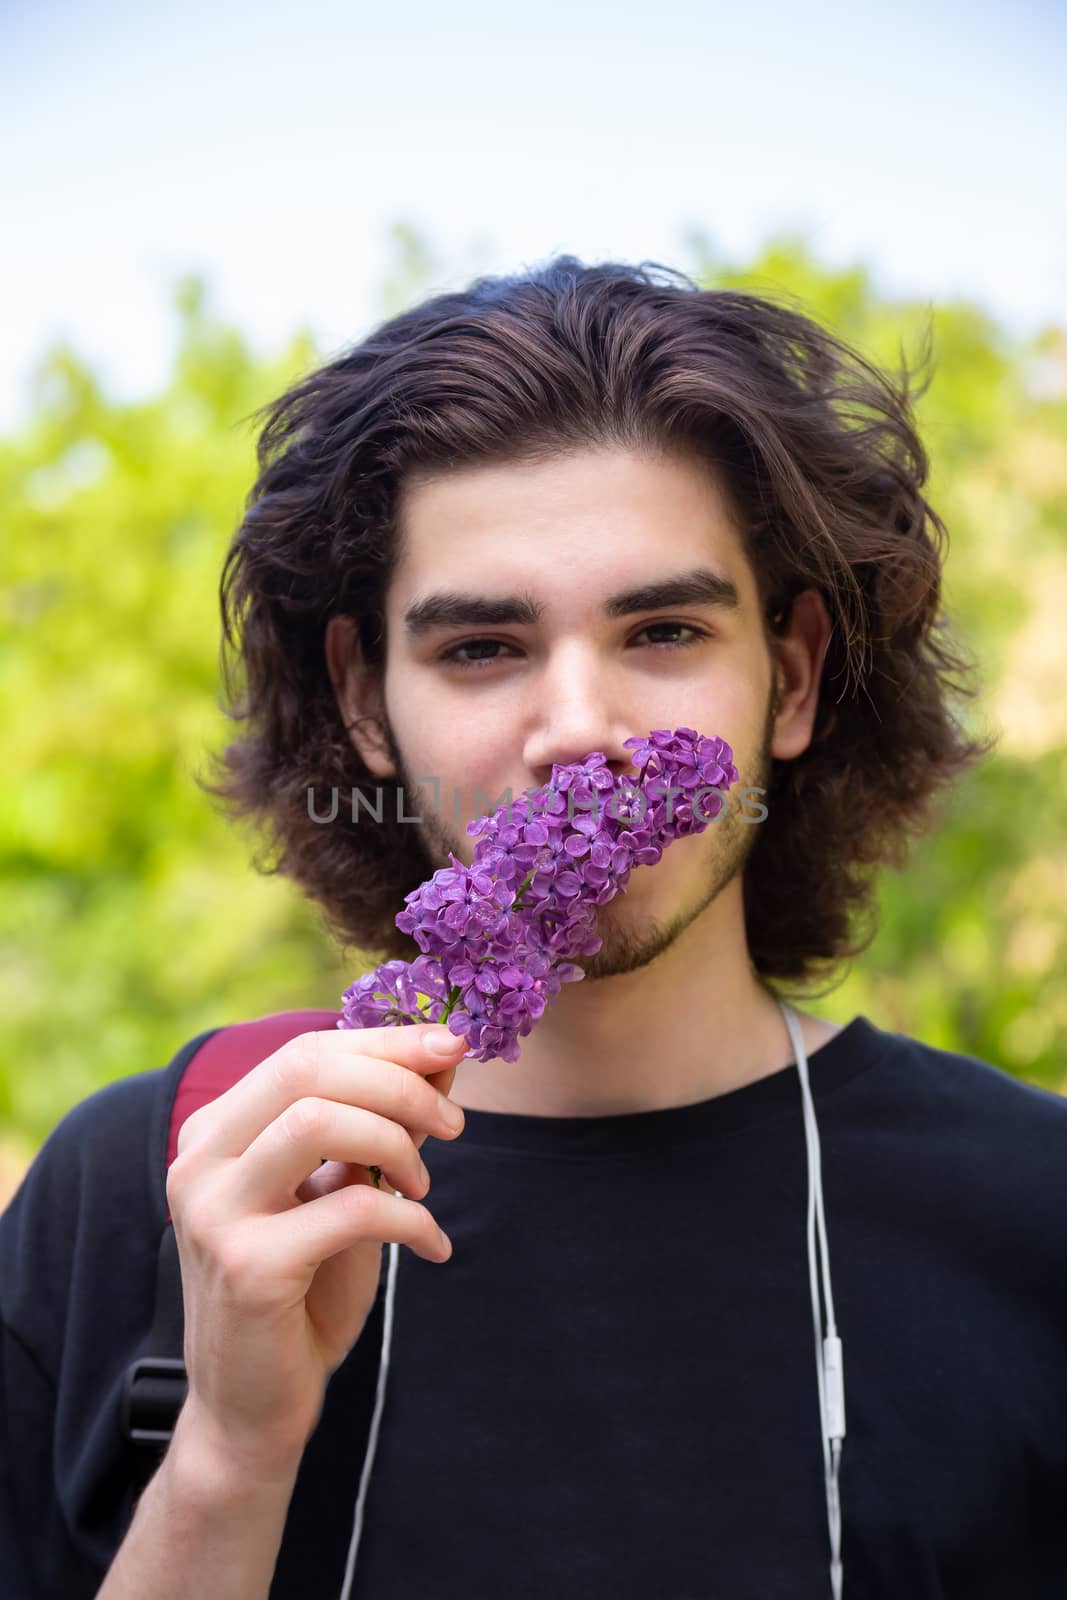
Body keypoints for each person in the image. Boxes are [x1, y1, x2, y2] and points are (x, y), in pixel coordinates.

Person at [2, 255, 1064, 1600]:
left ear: (789, 680)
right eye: (483, 649)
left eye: (665, 630)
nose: (578, 730)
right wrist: (225, 1454)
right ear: (367, 705)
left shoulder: (1037, 1217)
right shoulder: (143, 1199)